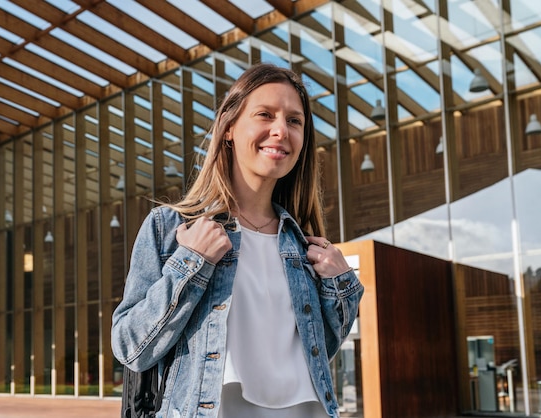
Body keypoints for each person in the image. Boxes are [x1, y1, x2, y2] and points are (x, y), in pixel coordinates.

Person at [111, 63, 364, 418]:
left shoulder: (305, 247)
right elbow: (130, 347)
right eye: (265, 114)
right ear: (229, 128)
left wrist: (340, 284)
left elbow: (320, 352)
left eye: (294, 121)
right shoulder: (171, 229)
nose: (280, 130)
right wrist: (192, 263)